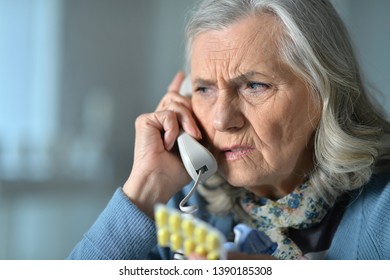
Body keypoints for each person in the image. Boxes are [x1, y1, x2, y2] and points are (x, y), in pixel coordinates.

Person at [68, 0, 390, 260]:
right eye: (205, 90)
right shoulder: (184, 203)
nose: (222, 120)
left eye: (254, 86)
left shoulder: (382, 208)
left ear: (324, 92)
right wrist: (146, 189)